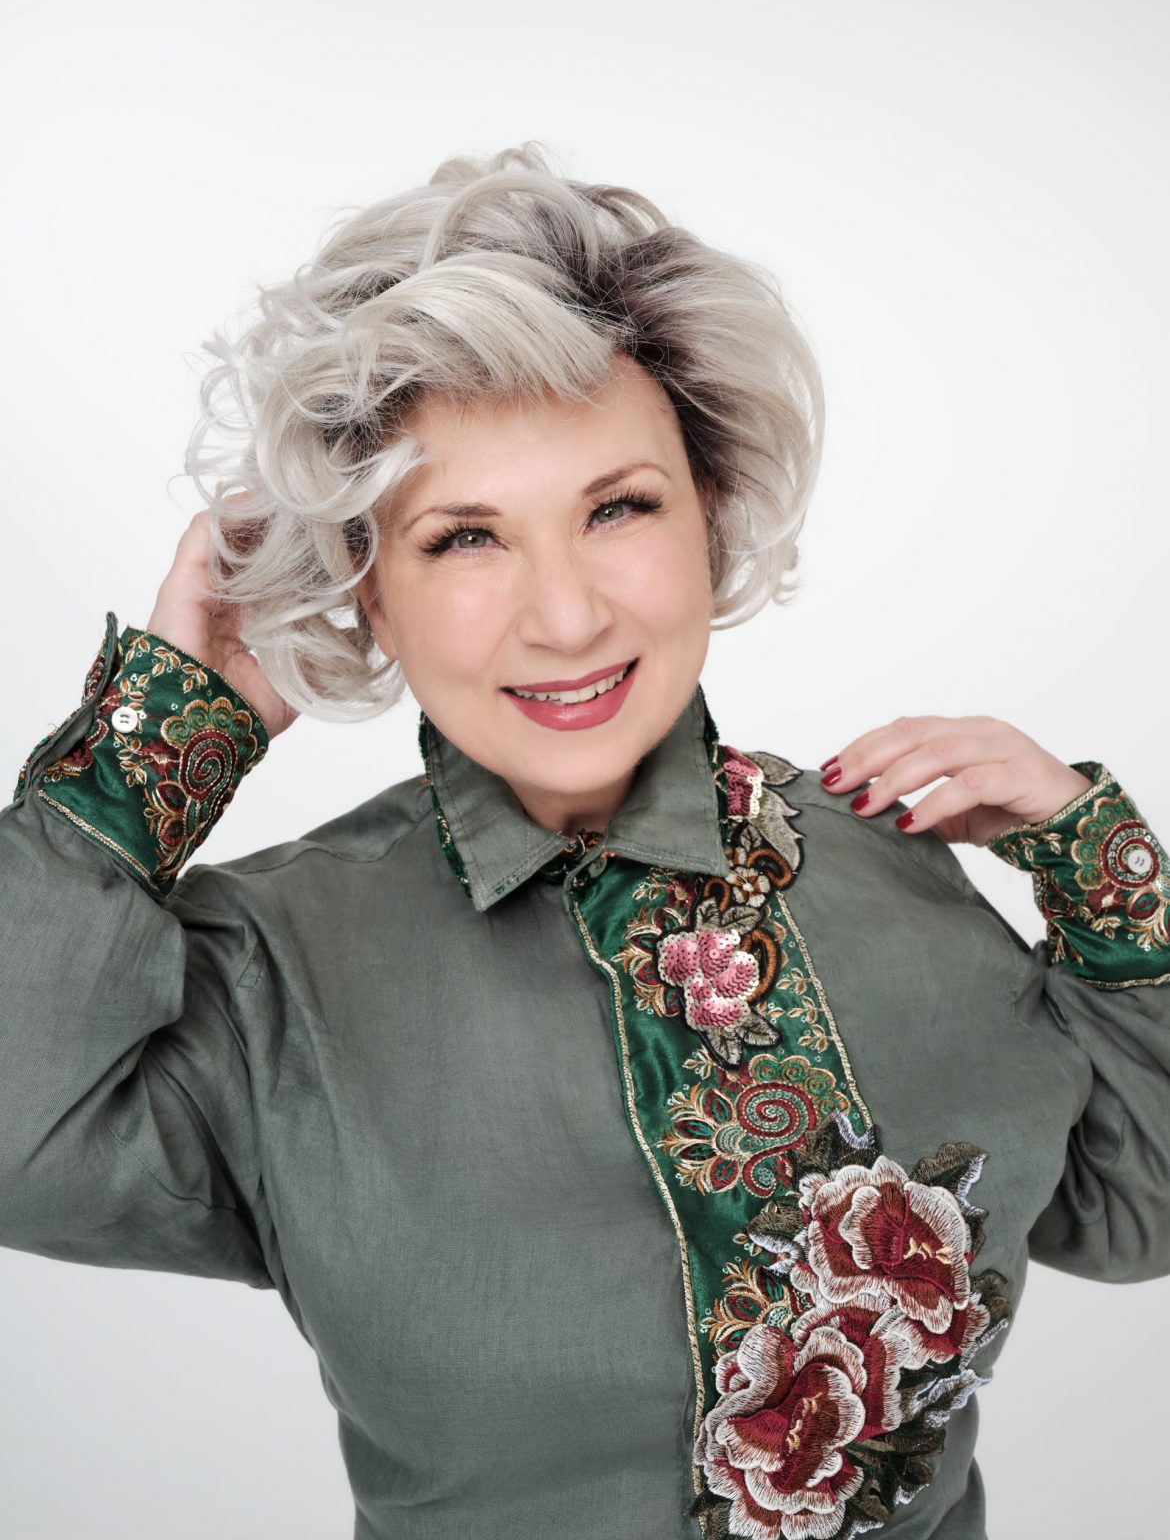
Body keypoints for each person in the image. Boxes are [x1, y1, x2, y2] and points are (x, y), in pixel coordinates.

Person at [2, 141, 1168, 1540]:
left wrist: (1103, 878)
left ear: (709, 517)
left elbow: (1141, 1205)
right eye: (463, 539)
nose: (564, 619)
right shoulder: (275, 965)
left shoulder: (903, 876)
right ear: (369, 591)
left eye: (618, 508)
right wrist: (150, 749)